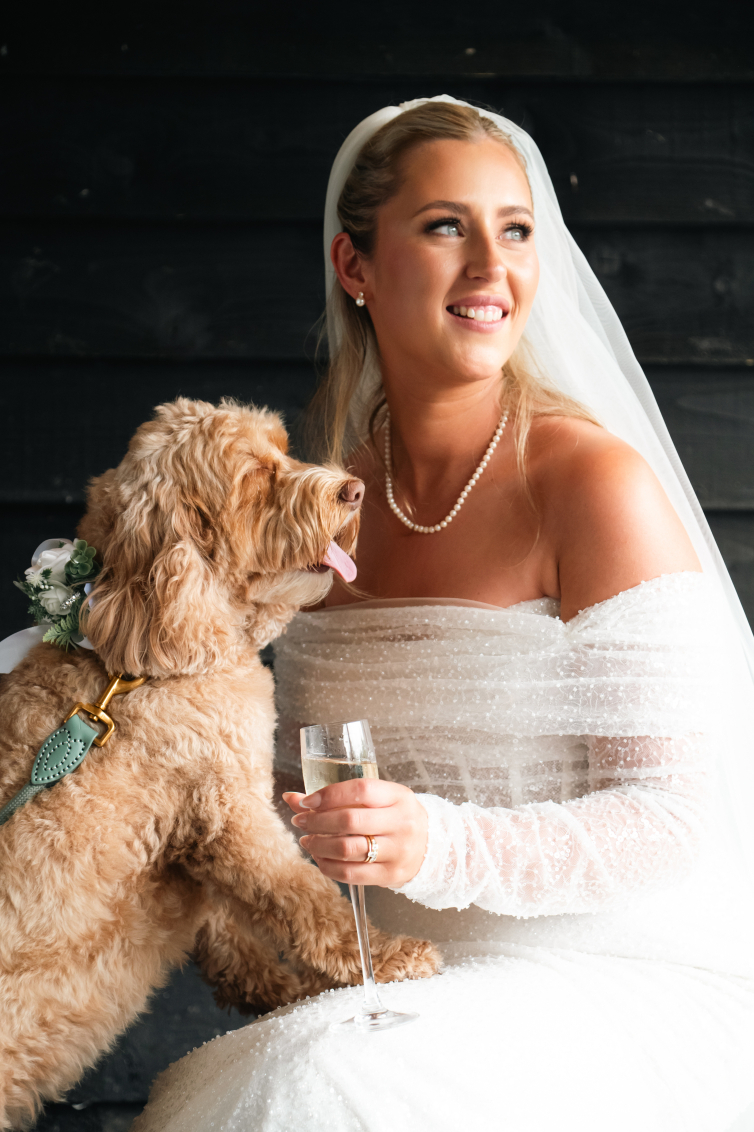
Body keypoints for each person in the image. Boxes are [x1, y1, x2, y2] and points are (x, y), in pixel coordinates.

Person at [133, 97, 754, 1132]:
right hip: (385, 990)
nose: (490, 266)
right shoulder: (320, 507)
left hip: (605, 982)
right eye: (443, 226)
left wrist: (437, 841)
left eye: (515, 230)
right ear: (355, 264)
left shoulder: (590, 484)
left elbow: (673, 820)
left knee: (320, 1091)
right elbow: (285, 792)